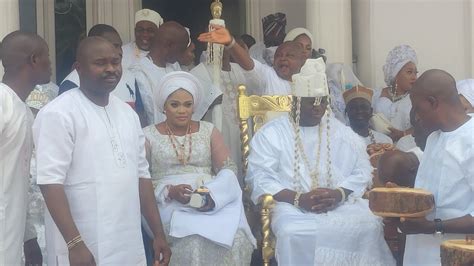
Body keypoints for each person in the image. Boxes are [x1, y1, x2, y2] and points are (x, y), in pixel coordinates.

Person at [33, 37, 171, 265]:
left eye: (116, 62)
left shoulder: (128, 114)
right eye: (100, 63)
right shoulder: (58, 114)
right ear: (78, 68)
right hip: (82, 244)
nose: (111, 69)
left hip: (127, 243)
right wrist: (75, 245)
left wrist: (158, 234)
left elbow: (142, 177)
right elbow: (49, 183)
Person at [246, 58, 395, 265]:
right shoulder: (272, 134)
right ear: (296, 101)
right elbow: (259, 177)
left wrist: (339, 194)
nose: (318, 108)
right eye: (311, 102)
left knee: (369, 225)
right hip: (291, 205)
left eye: (322, 101)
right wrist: (299, 199)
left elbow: (362, 170)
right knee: (293, 232)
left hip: (338, 203)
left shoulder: (340, 132)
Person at [143, 71, 255, 265]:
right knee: (194, 240)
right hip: (165, 202)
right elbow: (139, 178)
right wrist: (169, 191)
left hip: (208, 198)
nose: (182, 110)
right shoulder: (147, 135)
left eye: (188, 104)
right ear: (163, 107)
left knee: (236, 238)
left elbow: (228, 167)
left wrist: (212, 195)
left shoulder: (208, 130)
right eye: (174, 104)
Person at [401, 69, 474, 266]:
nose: (416, 117)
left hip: (458, 256)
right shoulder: (434, 138)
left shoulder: (471, 138)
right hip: (420, 253)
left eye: (418, 108)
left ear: (434, 103)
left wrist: (433, 226)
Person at [0, 31, 50, 265]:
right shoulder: (2, 102)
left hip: (12, 235)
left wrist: (28, 236)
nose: (50, 63)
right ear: (33, 60)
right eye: (47, 56)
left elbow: (19, 180)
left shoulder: (25, 112)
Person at [199, 27, 306, 95]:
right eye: (278, 55)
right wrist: (231, 43)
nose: (283, 58)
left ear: (302, 60)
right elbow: (249, 64)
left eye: (289, 55)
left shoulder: (308, 82)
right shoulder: (268, 75)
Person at [130, 21, 189, 125]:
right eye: (182, 49)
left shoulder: (175, 68)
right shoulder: (138, 73)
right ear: (169, 45)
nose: (182, 54)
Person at [373, 44, 418, 142]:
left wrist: (403, 134)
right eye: (409, 72)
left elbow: (426, 124)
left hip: (407, 148)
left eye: (415, 73)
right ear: (396, 74)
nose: (414, 77)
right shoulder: (376, 94)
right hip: (378, 147)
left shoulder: (417, 98)